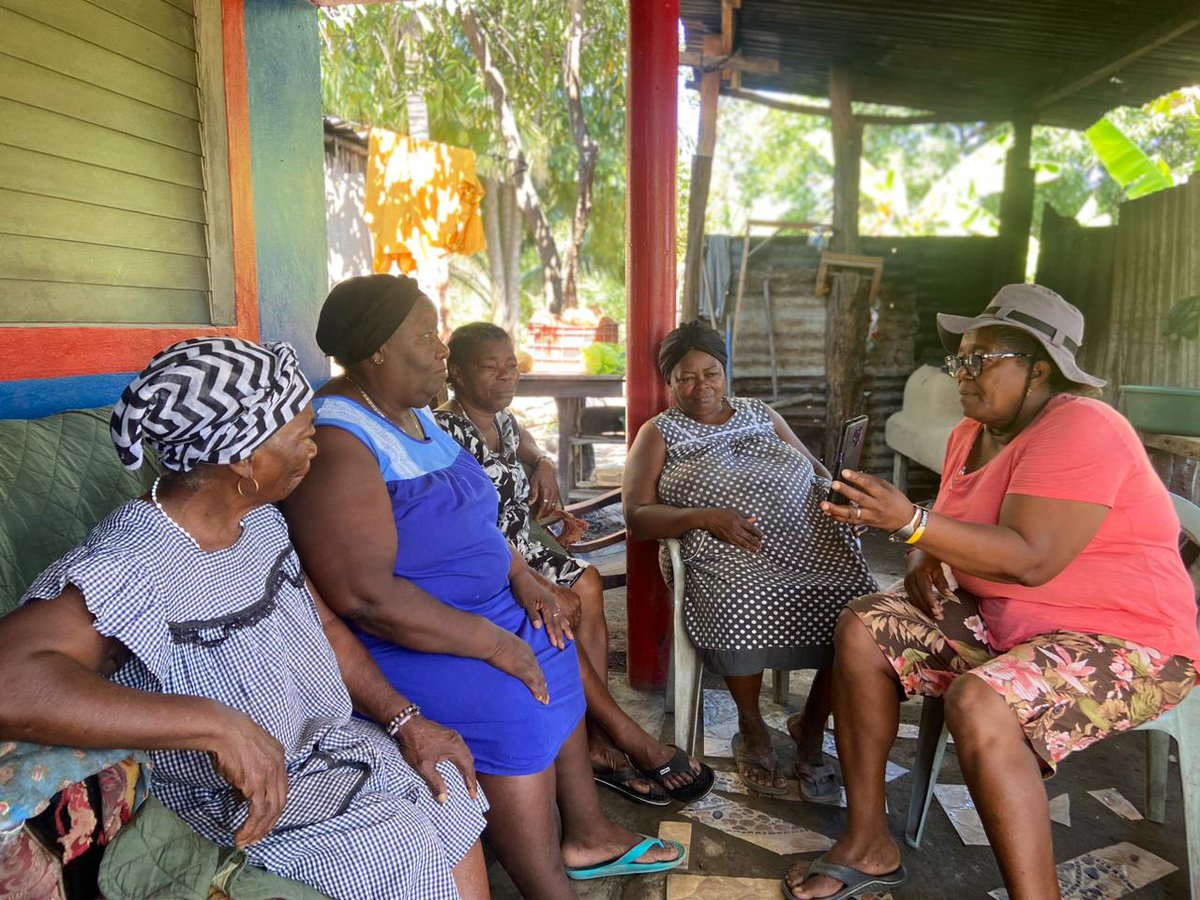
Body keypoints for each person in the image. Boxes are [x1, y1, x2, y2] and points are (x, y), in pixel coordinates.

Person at [0, 338, 492, 900]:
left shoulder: (259, 523)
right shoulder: (133, 562)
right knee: (394, 846)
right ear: (244, 459)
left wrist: (406, 720)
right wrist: (215, 723)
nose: (315, 448)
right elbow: (9, 680)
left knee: (447, 781)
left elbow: (326, 629)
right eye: (302, 434)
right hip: (240, 796)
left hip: (331, 748)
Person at [784, 284, 1200, 900]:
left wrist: (911, 524)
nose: (963, 373)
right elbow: (958, 521)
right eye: (961, 359)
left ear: (1041, 370)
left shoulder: (1084, 426)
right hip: (1008, 622)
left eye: (983, 360)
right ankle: (869, 842)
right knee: (863, 626)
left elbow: (1032, 558)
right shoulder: (970, 434)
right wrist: (926, 546)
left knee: (981, 704)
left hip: (1126, 640)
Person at [281, 275, 685, 899]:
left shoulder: (413, 413)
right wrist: (494, 643)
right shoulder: (341, 440)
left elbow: (478, 515)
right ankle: (546, 880)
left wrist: (524, 578)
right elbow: (365, 598)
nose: (442, 349)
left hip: (486, 606)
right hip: (412, 638)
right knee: (517, 693)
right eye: (427, 336)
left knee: (557, 639)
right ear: (377, 351)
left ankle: (586, 833)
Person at [434, 322, 713, 807]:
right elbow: (463, 524)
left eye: (511, 365)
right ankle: (614, 735)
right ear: (455, 373)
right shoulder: (444, 432)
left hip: (522, 542)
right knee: (560, 609)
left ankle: (596, 737)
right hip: (488, 558)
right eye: (489, 367)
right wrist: (530, 570)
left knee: (587, 580)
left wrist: (542, 464)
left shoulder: (501, 420)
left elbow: (527, 449)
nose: (505, 376)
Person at [623, 320, 877, 800]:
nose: (702, 387)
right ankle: (752, 724)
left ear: (727, 372)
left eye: (711, 373)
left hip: (803, 540)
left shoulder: (763, 414)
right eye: (686, 377)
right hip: (720, 548)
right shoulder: (658, 432)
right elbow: (637, 517)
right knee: (742, 592)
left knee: (856, 599)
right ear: (669, 382)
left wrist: (848, 509)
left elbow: (818, 472)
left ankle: (811, 724)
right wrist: (704, 517)